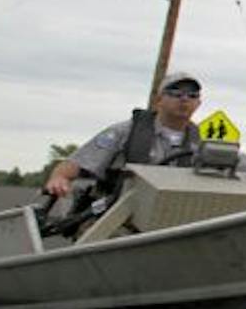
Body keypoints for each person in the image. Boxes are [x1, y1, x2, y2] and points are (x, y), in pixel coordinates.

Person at [40, 66, 207, 221]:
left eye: (192, 95)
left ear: (198, 103)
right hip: (115, 217)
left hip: (171, 219)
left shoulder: (204, 146)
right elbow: (72, 167)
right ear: (159, 100)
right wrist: (59, 179)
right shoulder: (124, 132)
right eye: (176, 93)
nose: (184, 99)